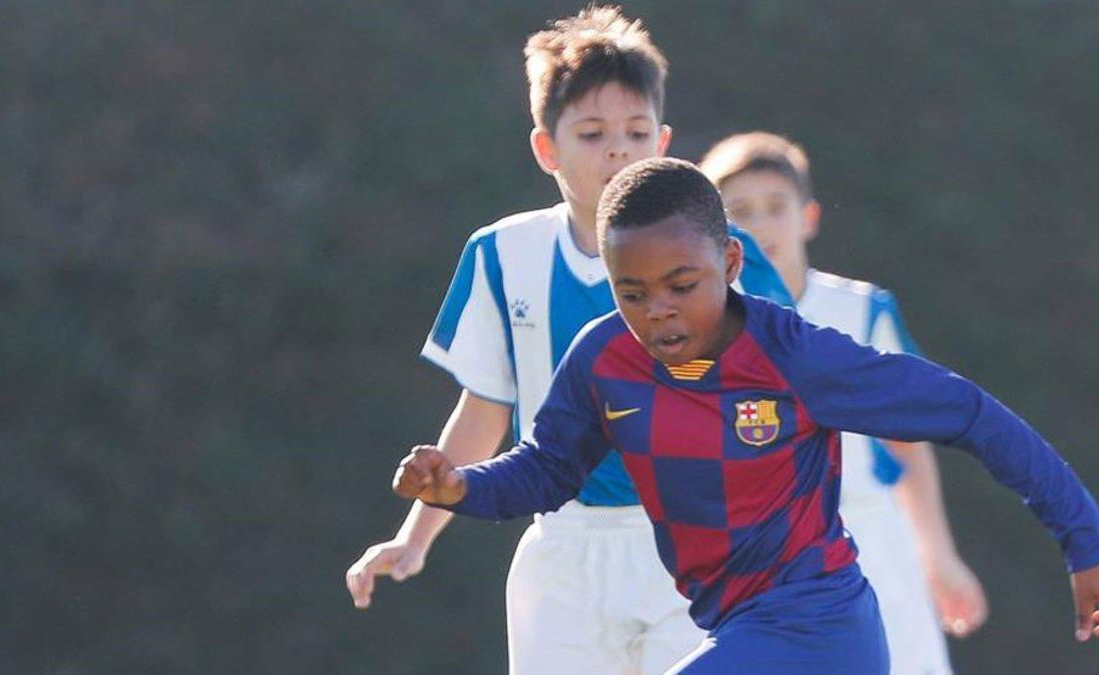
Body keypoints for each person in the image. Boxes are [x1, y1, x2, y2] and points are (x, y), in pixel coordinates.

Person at [391, 157, 1099, 674]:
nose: (658, 309)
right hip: (732, 630)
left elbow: (969, 412)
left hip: (822, 633)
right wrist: (461, 487)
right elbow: (546, 471)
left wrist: (1085, 539)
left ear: (729, 261)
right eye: (631, 291)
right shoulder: (602, 359)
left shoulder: (795, 354)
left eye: (681, 283)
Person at [345, 7, 790, 673]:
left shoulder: (728, 254)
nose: (618, 149)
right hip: (564, 554)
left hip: (701, 543)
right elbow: (488, 405)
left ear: (663, 143)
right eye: (592, 133)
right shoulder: (503, 253)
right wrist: (415, 538)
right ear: (546, 148)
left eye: (636, 131)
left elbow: (780, 393)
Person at [698, 131, 987, 673]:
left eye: (775, 207)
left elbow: (906, 446)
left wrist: (938, 554)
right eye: (741, 211)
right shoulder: (698, 329)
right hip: (760, 560)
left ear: (807, 216)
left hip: (871, 543)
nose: (761, 224)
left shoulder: (860, 311)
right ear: (714, 231)